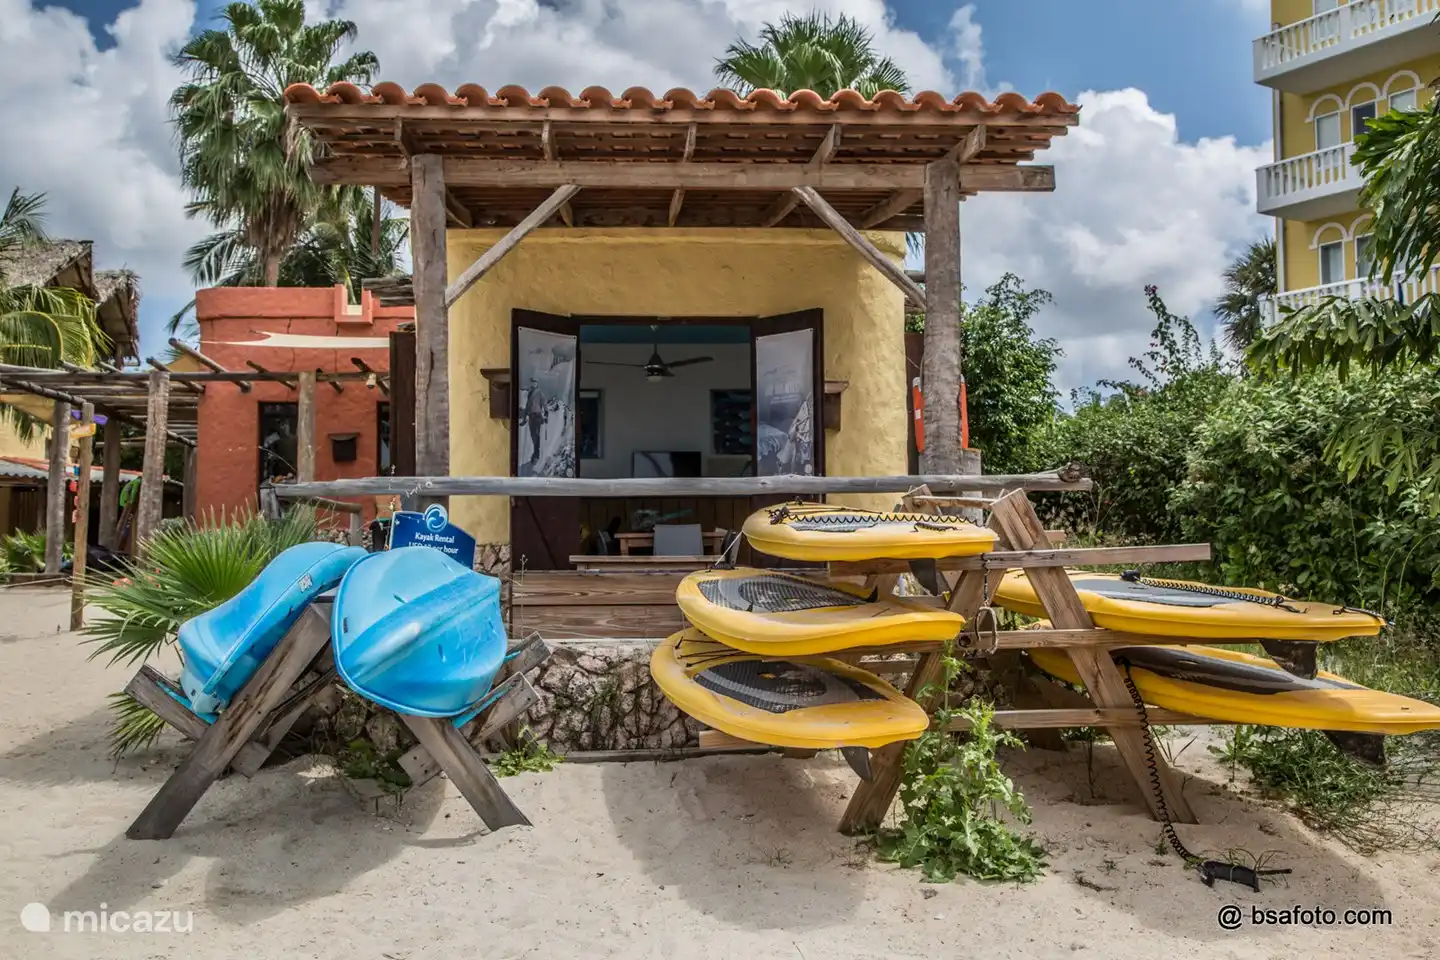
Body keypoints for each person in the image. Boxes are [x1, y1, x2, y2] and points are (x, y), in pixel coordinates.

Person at [523, 377, 546, 469]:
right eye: (532, 382)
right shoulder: (530, 393)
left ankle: (536, 454)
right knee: (533, 435)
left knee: (536, 434)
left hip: (537, 415)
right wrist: (525, 416)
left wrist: (546, 412)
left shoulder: (539, 392)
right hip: (531, 416)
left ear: (537, 383)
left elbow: (544, 403)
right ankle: (536, 452)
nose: (533, 384)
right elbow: (528, 405)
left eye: (534, 382)